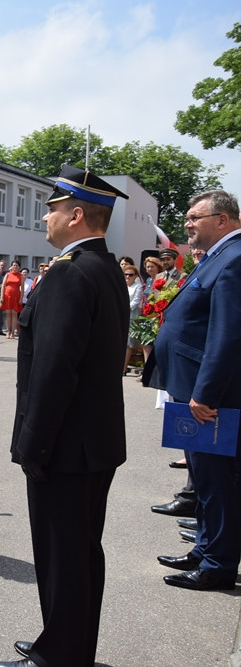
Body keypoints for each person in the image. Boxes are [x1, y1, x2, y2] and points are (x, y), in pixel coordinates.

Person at [0, 165, 129, 667]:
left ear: (75, 215)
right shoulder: (105, 268)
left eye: (52, 209)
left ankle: (61, 658)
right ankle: (68, 646)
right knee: (79, 555)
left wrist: (34, 446)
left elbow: (54, 372)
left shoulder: (71, 273)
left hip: (66, 448)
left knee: (62, 559)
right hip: (93, 443)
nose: (45, 217)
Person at [151, 190, 241, 592]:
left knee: (218, 479)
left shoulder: (235, 259)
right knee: (202, 477)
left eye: (194, 218)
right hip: (191, 387)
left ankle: (218, 564)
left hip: (208, 397)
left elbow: (227, 334)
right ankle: (204, 549)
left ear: (223, 220)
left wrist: (205, 393)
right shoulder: (219, 256)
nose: (187, 224)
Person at [123, 264, 144, 375]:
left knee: (128, 344)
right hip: (120, 317)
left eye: (130, 275)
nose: (127, 277)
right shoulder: (121, 286)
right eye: (125, 274)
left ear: (135, 276)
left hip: (131, 317)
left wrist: (123, 309)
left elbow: (135, 302)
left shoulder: (138, 286)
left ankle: (124, 368)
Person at [0, 260, 24, 339]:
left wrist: (21, 299)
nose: (15, 267)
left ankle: (13, 332)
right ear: (11, 266)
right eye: (13, 265)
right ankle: (8, 331)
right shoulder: (8, 274)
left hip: (16, 296)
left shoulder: (21, 276)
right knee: (8, 314)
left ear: (19, 267)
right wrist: (2, 296)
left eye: (16, 265)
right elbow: (3, 286)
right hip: (7, 295)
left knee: (14, 314)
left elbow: (22, 289)